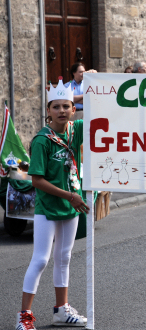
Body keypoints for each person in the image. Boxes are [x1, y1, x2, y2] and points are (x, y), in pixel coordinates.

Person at [16, 78, 89, 329]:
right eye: (56, 107)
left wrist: (95, 84)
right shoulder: (42, 140)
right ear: (48, 110)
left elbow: (102, 114)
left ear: (73, 108)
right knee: (41, 259)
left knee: (65, 257)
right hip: (49, 207)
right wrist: (69, 196)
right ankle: (24, 316)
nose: (62, 111)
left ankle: (61, 310)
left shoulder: (76, 130)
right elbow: (36, 180)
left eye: (66, 106)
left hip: (72, 205)